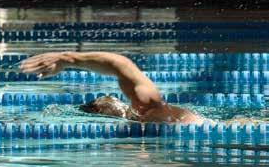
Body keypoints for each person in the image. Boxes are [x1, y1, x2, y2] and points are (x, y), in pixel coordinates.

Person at [20, 52, 205, 125]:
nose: (111, 99)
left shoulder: (150, 110)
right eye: (103, 103)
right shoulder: (142, 117)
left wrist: (68, 58)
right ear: (99, 112)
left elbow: (122, 64)